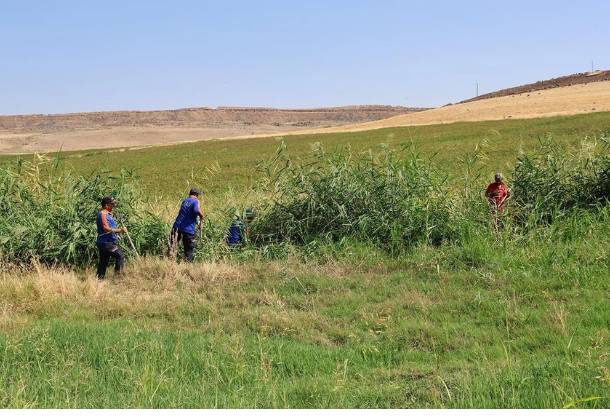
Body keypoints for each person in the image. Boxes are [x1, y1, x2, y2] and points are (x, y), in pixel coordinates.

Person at [96, 196, 127, 279]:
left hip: (107, 241)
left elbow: (111, 227)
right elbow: (106, 228)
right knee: (120, 255)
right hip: (105, 242)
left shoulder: (109, 214)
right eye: (112, 204)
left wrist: (117, 234)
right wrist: (120, 230)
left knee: (103, 261)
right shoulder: (102, 214)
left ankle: (99, 279)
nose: (114, 206)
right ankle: (117, 277)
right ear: (106, 205)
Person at [169, 188, 204, 262]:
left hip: (177, 226)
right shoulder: (195, 201)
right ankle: (187, 264)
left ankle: (169, 261)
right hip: (188, 229)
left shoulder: (185, 201)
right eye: (198, 195)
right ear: (196, 195)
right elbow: (196, 210)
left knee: (172, 245)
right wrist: (201, 216)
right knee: (189, 248)